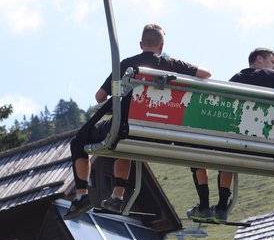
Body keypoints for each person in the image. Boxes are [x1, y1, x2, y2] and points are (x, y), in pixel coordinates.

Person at [64, 24, 211, 220]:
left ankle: (82, 195)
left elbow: (100, 96)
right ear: (161, 46)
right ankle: (116, 196)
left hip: (128, 128)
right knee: (127, 145)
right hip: (163, 131)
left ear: (141, 44)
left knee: (79, 142)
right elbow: (206, 74)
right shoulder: (173, 65)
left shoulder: (128, 64)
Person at [187, 48, 274, 223]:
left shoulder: (236, 79)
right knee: (230, 153)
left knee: (206, 151)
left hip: (238, 141)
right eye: (272, 62)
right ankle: (221, 207)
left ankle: (206, 206)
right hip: (270, 145)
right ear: (259, 59)